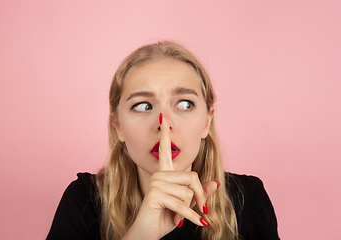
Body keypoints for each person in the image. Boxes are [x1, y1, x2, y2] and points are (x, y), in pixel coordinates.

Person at [46, 41, 280, 240]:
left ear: (207, 121)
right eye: (143, 106)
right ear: (118, 126)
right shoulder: (84, 200)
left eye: (185, 104)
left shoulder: (248, 198)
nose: (164, 123)